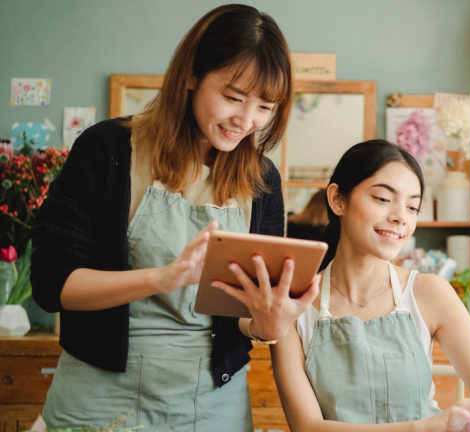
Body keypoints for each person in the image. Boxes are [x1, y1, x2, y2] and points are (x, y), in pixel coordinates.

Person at [30, 5, 318, 431]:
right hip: (98, 397)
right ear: (190, 75)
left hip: (211, 404)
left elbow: (241, 318)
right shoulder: (106, 150)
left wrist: (268, 321)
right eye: (233, 97)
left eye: (264, 107)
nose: (246, 120)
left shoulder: (262, 180)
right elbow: (53, 283)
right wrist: (161, 279)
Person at [265, 140, 470, 431]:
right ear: (338, 199)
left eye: (413, 206)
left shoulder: (430, 293)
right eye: (383, 199)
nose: (400, 216)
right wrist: (426, 428)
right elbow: (307, 427)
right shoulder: (293, 304)